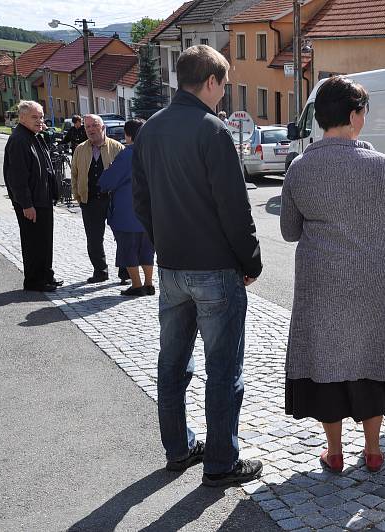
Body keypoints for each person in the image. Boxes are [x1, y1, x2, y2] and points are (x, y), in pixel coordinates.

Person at [132, 45, 263, 487]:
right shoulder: (213, 130)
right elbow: (235, 208)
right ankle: (221, 462)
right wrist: (250, 260)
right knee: (223, 371)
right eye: (223, 84)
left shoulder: (150, 129)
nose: (224, 94)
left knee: (172, 366)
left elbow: (141, 202)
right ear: (210, 81)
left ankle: (178, 449)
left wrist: (164, 241)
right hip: (215, 270)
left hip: (170, 268)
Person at [280, 76, 385, 474]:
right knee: (370, 359)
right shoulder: (379, 165)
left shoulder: (300, 167)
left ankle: (334, 451)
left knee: (326, 362)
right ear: (355, 116)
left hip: (321, 282)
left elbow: (288, 231)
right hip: (371, 280)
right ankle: (373, 450)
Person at [2, 100, 61, 292]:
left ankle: (46, 276)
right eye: (35, 117)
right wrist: (26, 204)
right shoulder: (19, 139)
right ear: (22, 118)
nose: (40, 120)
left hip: (42, 199)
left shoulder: (34, 135)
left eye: (41, 116)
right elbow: (17, 177)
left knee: (45, 241)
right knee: (34, 243)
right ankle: (35, 281)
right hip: (31, 203)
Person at [98, 118, 155, 297]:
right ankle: (149, 283)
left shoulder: (128, 154)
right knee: (147, 249)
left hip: (128, 212)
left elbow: (107, 181)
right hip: (150, 213)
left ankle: (137, 285)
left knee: (128, 249)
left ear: (128, 135)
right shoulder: (154, 153)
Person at [71, 114, 124, 283]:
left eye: (94, 126)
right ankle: (100, 271)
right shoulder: (80, 149)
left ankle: (126, 271)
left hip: (114, 201)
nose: (91, 129)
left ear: (103, 128)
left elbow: (126, 175)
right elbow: (74, 175)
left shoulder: (117, 148)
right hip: (90, 200)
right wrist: (78, 196)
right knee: (94, 239)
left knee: (122, 237)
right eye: (87, 127)